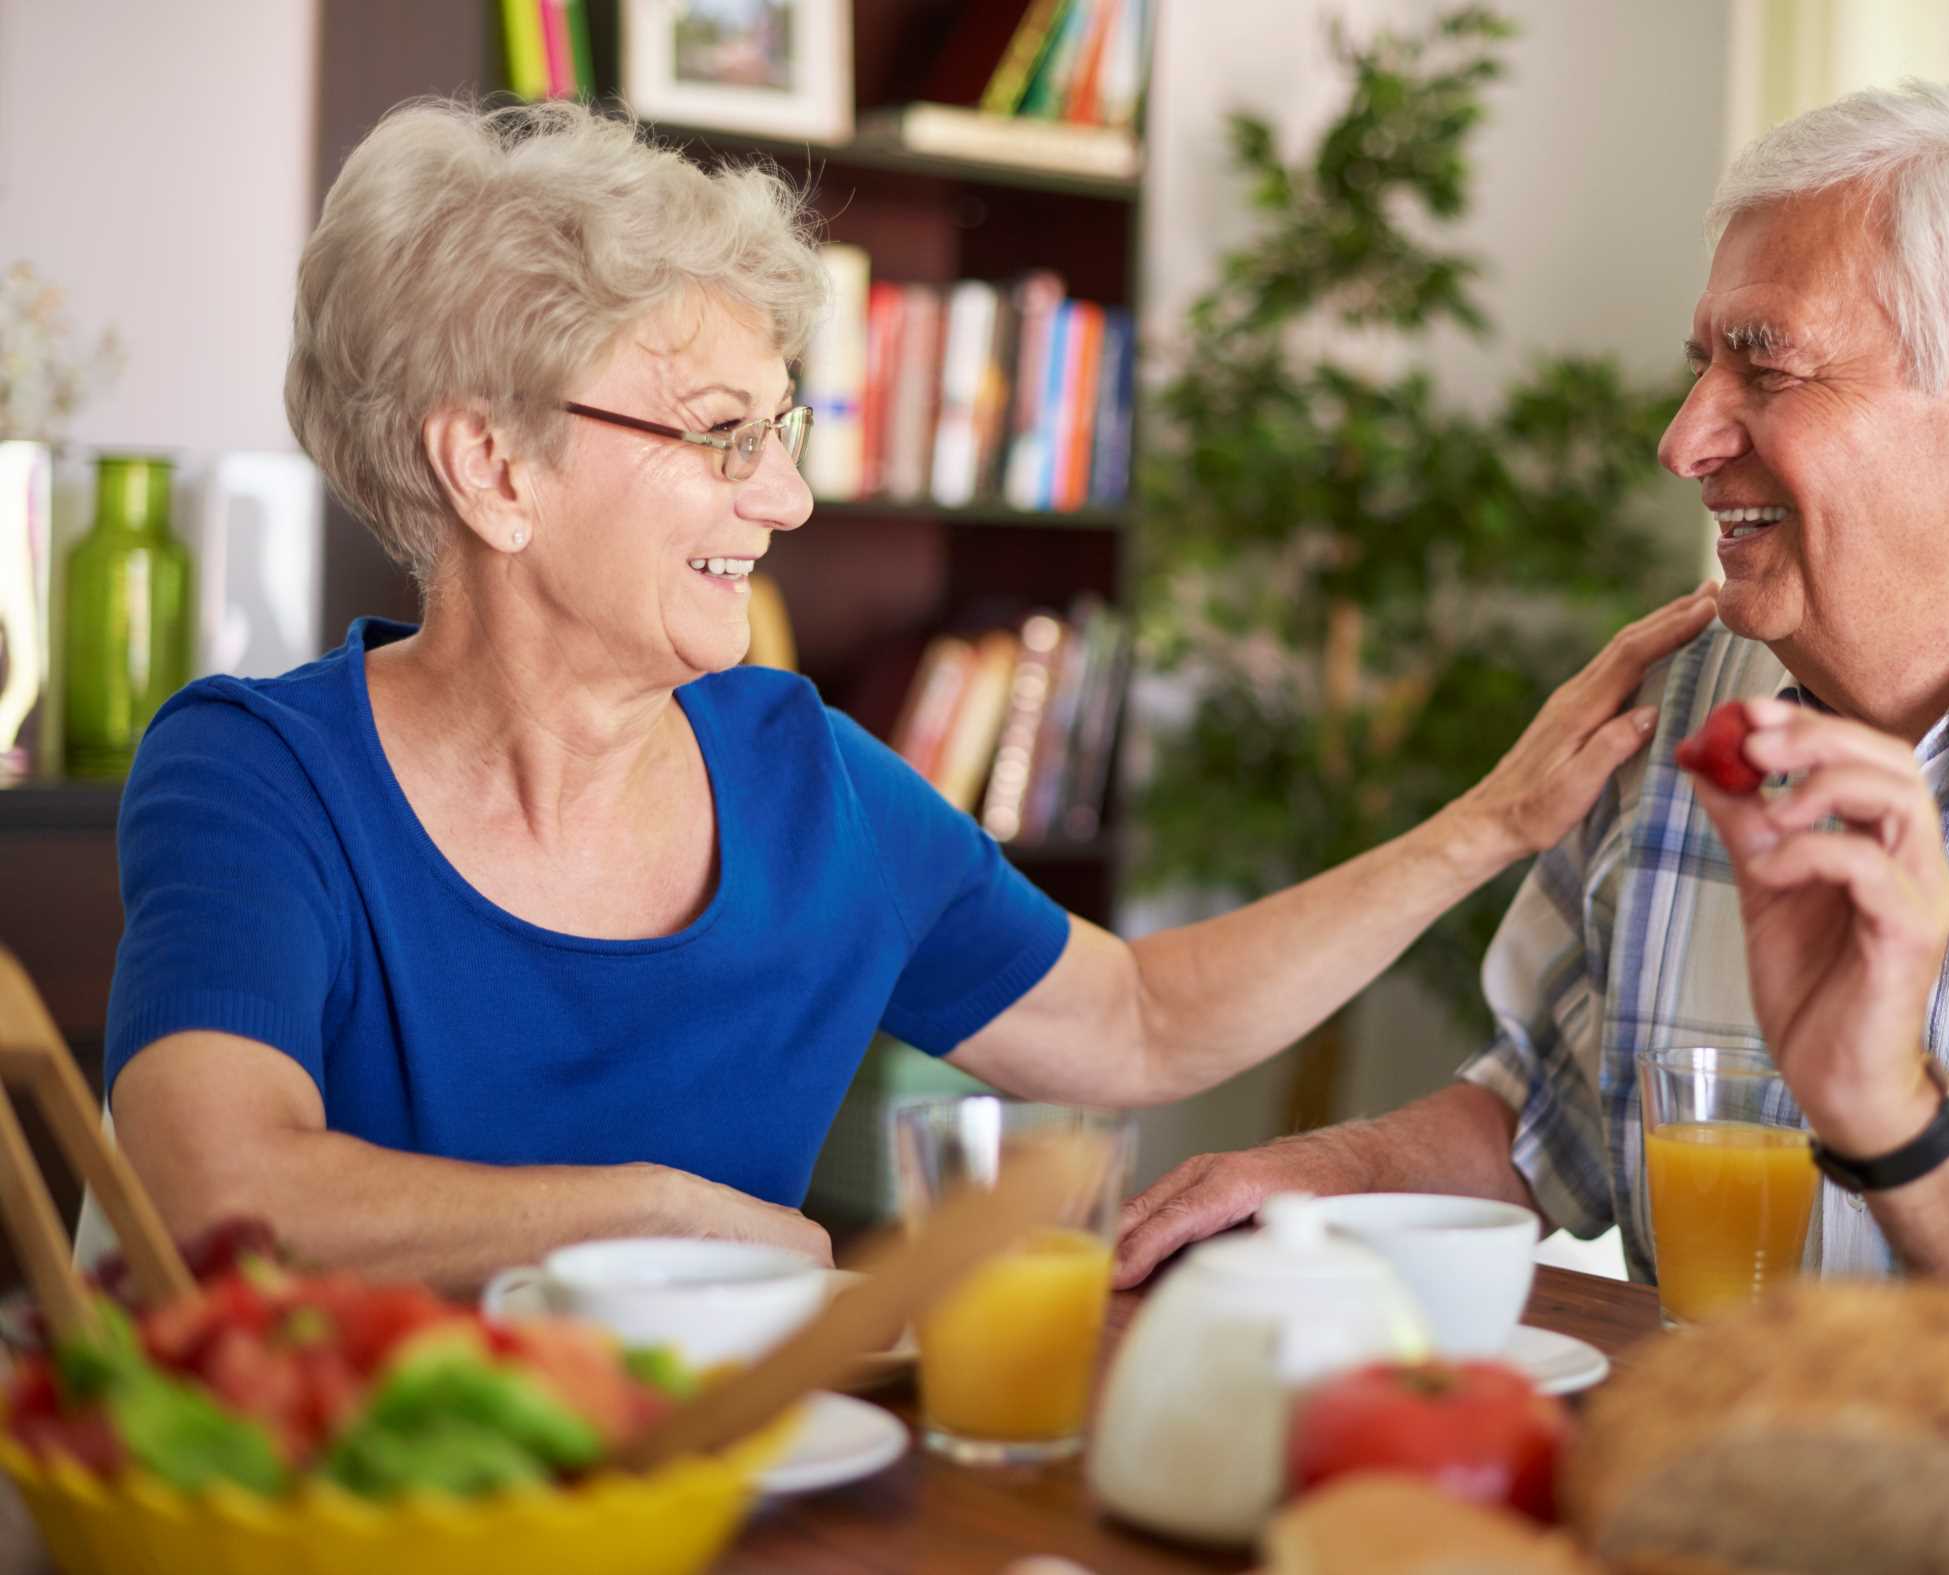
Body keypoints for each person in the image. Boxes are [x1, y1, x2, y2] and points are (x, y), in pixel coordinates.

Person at [100, 97, 1716, 1293]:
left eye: (784, 428)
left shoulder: (809, 785)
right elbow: (214, 1190)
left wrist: (1492, 824)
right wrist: (656, 1212)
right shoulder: (263, 777)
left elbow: (1140, 1022)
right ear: (492, 465)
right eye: (724, 433)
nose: (788, 498)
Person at [1117, 83, 1949, 1444]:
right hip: (1705, 1505)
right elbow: (1549, 1118)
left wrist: (1895, 1118)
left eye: (1765, 370)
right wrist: (1319, 1178)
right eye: (1700, 367)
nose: (1685, 440)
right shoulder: (1695, 699)